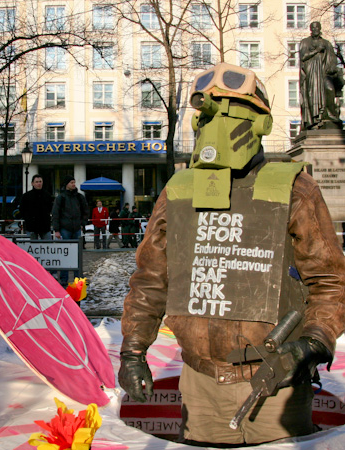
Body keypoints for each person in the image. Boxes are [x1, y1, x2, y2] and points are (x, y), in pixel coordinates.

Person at [118, 62, 345, 446]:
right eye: (209, 112)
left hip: (278, 387)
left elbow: (329, 280)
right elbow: (151, 278)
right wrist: (133, 351)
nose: (216, 123)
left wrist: (312, 342)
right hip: (201, 387)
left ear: (261, 122)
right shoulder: (182, 190)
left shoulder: (292, 189)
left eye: (232, 110)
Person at [299, 21, 344, 130]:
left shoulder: (326, 43)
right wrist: (317, 50)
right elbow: (303, 56)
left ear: (320, 29)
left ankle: (330, 116)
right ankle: (315, 120)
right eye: (313, 28)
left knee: (329, 89)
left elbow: (332, 58)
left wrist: (333, 69)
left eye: (317, 28)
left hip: (324, 73)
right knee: (312, 95)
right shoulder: (305, 42)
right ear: (311, 30)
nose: (315, 30)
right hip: (311, 74)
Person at [52, 175, 89, 287]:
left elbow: (85, 210)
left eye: (74, 182)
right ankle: (64, 279)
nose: (74, 184)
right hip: (65, 229)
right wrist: (57, 229)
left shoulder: (79, 197)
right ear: (67, 184)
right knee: (65, 254)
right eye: (71, 182)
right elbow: (56, 213)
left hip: (76, 228)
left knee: (77, 254)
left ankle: (78, 277)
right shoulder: (61, 198)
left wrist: (82, 223)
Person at [19, 174, 53, 240]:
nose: (39, 183)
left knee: (48, 246)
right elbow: (22, 209)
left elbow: (50, 208)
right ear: (32, 183)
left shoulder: (47, 195)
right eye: (37, 182)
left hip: (45, 226)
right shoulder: (26, 196)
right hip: (31, 226)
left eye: (40, 181)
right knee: (31, 247)